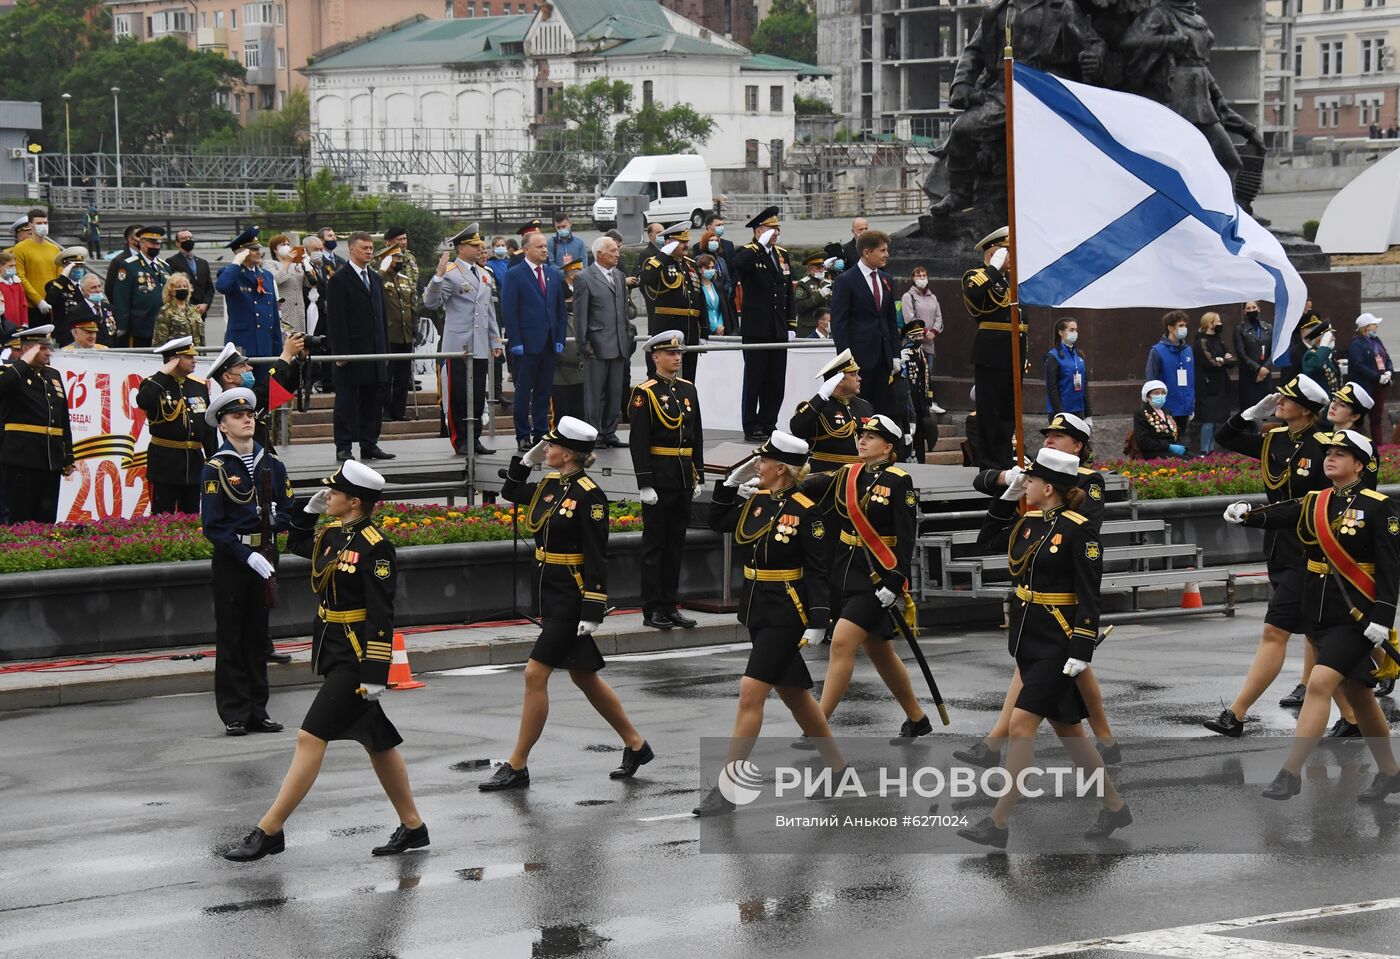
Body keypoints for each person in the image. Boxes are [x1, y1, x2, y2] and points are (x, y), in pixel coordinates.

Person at [225, 460, 430, 861]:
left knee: (310, 736)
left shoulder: (375, 545)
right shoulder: (334, 533)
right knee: (378, 741)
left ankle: (270, 830)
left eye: (334, 493)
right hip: (333, 645)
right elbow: (299, 546)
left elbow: (381, 613)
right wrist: (307, 512)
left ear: (354, 501)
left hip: (356, 656)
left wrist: (376, 673)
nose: (328, 496)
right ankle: (413, 826)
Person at [957, 447, 1129, 849]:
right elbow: (986, 540)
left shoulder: (1078, 529)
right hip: (1027, 637)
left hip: (1058, 641)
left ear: (1048, 487)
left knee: (1020, 726)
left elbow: (1090, 594)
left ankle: (998, 824)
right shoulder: (1030, 522)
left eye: (1030, 480)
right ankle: (1116, 807)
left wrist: (1082, 649)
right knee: (1071, 734)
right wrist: (1004, 497)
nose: (1025, 484)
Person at [479, 417, 654, 791]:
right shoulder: (549, 484)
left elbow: (597, 555)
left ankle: (518, 764)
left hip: (572, 597)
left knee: (534, 674)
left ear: (569, 453)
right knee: (584, 675)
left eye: (550, 446)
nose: (546, 449)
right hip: (549, 589)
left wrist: (593, 607)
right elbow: (511, 492)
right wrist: (523, 462)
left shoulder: (590, 495)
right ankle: (636, 745)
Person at [1226, 429, 1400, 803]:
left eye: (1341, 452)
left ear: (1360, 464)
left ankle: (1290, 773)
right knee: (1360, 695)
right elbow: (1281, 515)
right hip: (1320, 611)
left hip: (1357, 618)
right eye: (1330, 451)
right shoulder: (1315, 501)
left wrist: (1383, 617)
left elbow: (1389, 568)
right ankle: (1390, 773)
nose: (1331, 457)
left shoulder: (1378, 506)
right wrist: (1246, 516)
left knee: (1320, 684)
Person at [693, 431, 845, 817]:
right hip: (757, 606)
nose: (755, 465)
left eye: (762, 461)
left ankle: (729, 788)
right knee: (795, 695)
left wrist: (819, 619)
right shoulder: (757, 502)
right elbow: (717, 521)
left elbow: (817, 570)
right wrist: (727, 485)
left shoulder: (807, 510)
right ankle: (838, 769)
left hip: (787, 610)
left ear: (782, 468)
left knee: (750, 692)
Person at [960, 413, 1117, 767]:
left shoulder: (1086, 483)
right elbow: (981, 493)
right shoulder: (1032, 506)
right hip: (1034, 621)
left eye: (1059, 437)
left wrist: (1082, 637)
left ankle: (994, 751)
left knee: (1028, 714)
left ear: (1077, 446)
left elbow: (1082, 532)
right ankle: (1108, 765)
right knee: (1069, 718)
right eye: (1047, 435)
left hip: (1059, 609)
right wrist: (1008, 483)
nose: (1049, 440)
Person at [1203, 374, 1333, 737]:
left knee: (1276, 629)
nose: (1279, 402)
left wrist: (1254, 517)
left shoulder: (1324, 445)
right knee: (1320, 632)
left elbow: (1316, 504)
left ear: (1305, 409)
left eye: (1286, 399)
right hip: (1277, 546)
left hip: (1310, 549)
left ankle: (1236, 713)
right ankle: (1354, 715)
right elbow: (1224, 438)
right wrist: (1249, 414)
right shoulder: (1274, 439)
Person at [796, 414, 933, 743]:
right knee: (879, 649)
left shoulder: (900, 481)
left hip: (878, 575)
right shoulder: (848, 474)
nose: (862, 440)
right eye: (862, 434)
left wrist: (895, 579)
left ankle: (818, 725)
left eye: (871, 436)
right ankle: (917, 718)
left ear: (888, 447)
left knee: (842, 641)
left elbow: (906, 536)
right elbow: (812, 489)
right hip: (847, 569)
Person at [198, 387, 292, 737]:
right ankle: (234, 712)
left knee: (257, 635)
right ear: (223, 426)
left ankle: (258, 709)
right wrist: (245, 553)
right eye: (237, 416)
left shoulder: (272, 462)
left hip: (265, 555)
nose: (247, 420)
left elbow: (286, 509)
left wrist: (275, 525)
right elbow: (214, 526)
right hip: (234, 560)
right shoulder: (216, 467)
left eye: (249, 415)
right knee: (232, 636)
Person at [630, 331, 705, 630]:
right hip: (660, 478)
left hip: (683, 476)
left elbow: (695, 435)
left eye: (679, 353)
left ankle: (670, 604)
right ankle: (652, 608)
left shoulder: (689, 389)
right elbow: (639, 441)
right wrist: (644, 482)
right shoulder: (644, 392)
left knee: (675, 545)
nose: (677, 358)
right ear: (655, 357)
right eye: (670, 354)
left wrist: (697, 471)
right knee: (654, 546)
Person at [425, 223, 503, 457]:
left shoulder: (484, 274)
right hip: (458, 345)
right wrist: (437, 277)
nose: (480, 248)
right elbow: (431, 303)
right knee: (458, 395)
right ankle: (460, 440)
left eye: (480, 244)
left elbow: (488, 311)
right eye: (474, 245)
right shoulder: (449, 274)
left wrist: (495, 340)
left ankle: (475, 437)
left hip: (478, 344)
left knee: (477, 395)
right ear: (461, 248)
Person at [326, 231, 393, 463]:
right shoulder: (339, 279)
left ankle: (369, 444)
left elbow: (381, 317)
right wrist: (341, 351)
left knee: (373, 401)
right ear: (351, 249)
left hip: (374, 352)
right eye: (364, 247)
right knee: (346, 402)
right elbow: (335, 319)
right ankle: (343, 447)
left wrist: (384, 350)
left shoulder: (375, 278)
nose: (369, 251)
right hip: (352, 353)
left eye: (371, 248)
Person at [730, 207, 796, 441]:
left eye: (777, 228)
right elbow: (737, 266)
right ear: (759, 230)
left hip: (778, 327)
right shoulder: (749, 252)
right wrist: (759, 245)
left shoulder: (781, 254)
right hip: (756, 327)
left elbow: (788, 291)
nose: (776, 232)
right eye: (771, 228)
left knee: (776, 380)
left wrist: (791, 324)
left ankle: (769, 421)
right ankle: (752, 424)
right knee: (755, 379)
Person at [964, 227, 1026, 469]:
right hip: (992, 353)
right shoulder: (976, 275)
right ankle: (988, 462)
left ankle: (1003, 458)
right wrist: (993, 269)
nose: (1012, 257)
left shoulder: (1011, 279)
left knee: (1009, 411)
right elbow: (974, 294)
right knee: (989, 410)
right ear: (994, 252)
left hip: (1014, 352)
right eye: (1007, 252)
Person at [500, 230, 567, 452]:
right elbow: (509, 311)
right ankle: (522, 434)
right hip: (526, 344)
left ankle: (540, 433)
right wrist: (515, 341)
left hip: (548, 343)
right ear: (526, 249)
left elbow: (559, 309)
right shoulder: (515, 274)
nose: (544, 250)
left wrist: (559, 338)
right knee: (523, 390)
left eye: (545, 247)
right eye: (539, 247)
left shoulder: (553, 274)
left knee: (543, 391)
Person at [0, 325, 74, 523]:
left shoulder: (53, 375)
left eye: (48, 346)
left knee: (46, 518)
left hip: (50, 458)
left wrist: (68, 455)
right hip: (21, 458)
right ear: (26, 349)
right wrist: (24, 362)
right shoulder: (11, 372)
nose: (48, 351)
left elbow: (62, 417)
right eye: (41, 347)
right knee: (20, 517)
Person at [138, 336, 215, 514]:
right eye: (189, 356)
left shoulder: (199, 385)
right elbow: (143, 401)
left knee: (192, 515)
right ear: (174, 360)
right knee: (161, 517)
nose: (194, 360)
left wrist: (212, 458)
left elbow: (208, 427)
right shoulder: (154, 384)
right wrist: (163, 373)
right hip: (165, 464)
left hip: (194, 464)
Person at [832, 229, 899, 423]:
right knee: (860, 410)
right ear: (867, 252)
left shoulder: (886, 279)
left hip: (883, 357)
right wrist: (846, 362)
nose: (887, 255)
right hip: (859, 357)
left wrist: (895, 353)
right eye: (882, 250)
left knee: (881, 410)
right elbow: (839, 323)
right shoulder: (846, 280)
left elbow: (890, 319)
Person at [572, 235, 632, 448]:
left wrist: (628, 336)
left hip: (618, 344)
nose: (617, 254)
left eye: (617, 250)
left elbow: (623, 311)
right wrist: (583, 343)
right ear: (599, 254)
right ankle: (593, 433)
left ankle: (610, 432)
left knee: (615, 392)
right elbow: (580, 315)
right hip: (596, 346)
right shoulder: (585, 277)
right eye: (613, 250)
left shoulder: (619, 275)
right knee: (595, 394)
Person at [206, 339, 303, 455]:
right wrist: (286, 354)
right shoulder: (230, 405)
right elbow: (269, 388)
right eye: (242, 366)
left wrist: (299, 360)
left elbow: (286, 385)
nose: (250, 368)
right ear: (228, 377)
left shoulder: (250, 398)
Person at [790, 349, 874, 474]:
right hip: (826, 474)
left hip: (860, 473)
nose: (859, 378)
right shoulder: (818, 406)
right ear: (839, 380)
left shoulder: (865, 406)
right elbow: (798, 429)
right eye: (853, 374)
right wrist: (821, 397)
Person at [639, 222, 704, 382]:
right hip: (668, 327)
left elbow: (698, 297)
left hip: (690, 330)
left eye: (686, 241)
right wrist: (663, 254)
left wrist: (704, 327)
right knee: (665, 378)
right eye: (681, 242)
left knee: (689, 379)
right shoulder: (657, 263)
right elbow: (647, 279)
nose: (686, 245)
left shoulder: (691, 264)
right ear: (670, 243)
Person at [217, 226, 283, 370]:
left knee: (265, 390)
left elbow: (273, 317)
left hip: (266, 346)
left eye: (259, 248)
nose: (259, 252)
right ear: (241, 252)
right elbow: (222, 286)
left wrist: (278, 351)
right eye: (253, 249)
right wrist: (236, 262)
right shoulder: (231, 273)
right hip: (243, 345)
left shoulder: (266, 275)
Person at [376, 242, 418, 424]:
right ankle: (385, 410)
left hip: (405, 333)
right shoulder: (379, 279)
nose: (400, 261)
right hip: (388, 333)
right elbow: (373, 291)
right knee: (387, 375)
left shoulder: (404, 279)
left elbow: (411, 306)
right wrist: (382, 271)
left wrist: (414, 327)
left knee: (403, 375)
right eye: (396, 257)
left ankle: (399, 410)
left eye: (401, 257)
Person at [111, 226, 170, 348]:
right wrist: (123, 326)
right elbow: (121, 298)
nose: (155, 246)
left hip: (164, 327)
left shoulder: (164, 266)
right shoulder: (129, 265)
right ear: (142, 243)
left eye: (158, 243)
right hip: (140, 327)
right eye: (152, 243)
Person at [1145, 310, 1196, 440]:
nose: (1184, 329)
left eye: (1185, 325)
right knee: (1168, 443)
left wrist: (1191, 403)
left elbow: (1191, 380)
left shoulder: (1188, 350)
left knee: (1182, 441)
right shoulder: (1157, 351)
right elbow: (1151, 378)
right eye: (1180, 325)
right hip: (1166, 406)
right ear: (1170, 327)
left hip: (1185, 406)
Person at [10, 208, 62, 327]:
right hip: (31, 307)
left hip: (52, 305)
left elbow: (60, 276)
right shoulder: (20, 249)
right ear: (30, 225)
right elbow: (20, 277)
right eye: (39, 223)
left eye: (45, 223)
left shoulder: (54, 249)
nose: (43, 226)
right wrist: (38, 301)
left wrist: (55, 299)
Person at [1193, 311, 1235, 456]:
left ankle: (1214, 450)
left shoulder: (1218, 340)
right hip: (1208, 387)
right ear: (1210, 324)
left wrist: (1222, 359)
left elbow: (1232, 360)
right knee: (1208, 420)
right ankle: (1205, 450)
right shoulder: (1201, 342)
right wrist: (1223, 359)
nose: (1220, 324)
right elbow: (1210, 363)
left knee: (1218, 420)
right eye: (1217, 321)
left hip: (1220, 386)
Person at [1347, 312, 1393, 442]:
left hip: (1379, 385)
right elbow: (1358, 365)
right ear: (1366, 326)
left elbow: (1386, 358)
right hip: (1364, 386)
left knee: (1377, 418)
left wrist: (1389, 371)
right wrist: (1376, 377)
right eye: (1374, 324)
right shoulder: (1356, 343)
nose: (1376, 327)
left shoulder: (1376, 341)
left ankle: (1379, 448)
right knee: (1359, 418)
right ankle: (1358, 445)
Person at [552, 259, 587, 421]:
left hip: (581, 374)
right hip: (561, 375)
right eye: (570, 300)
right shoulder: (559, 317)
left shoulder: (583, 317)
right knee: (562, 415)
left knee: (579, 414)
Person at [900, 265, 943, 383]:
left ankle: (926, 401)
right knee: (914, 378)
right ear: (913, 278)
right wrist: (925, 332)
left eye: (924, 275)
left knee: (927, 376)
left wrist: (933, 332)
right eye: (918, 275)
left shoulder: (933, 297)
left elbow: (938, 318)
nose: (922, 278)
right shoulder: (908, 296)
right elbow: (910, 319)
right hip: (914, 344)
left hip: (929, 344)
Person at [1234, 301, 1273, 420]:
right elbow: (1241, 353)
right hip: (1249, 374)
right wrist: (1258, 369)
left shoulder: (1268, 327)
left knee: (1265, 408)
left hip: (1265, 373)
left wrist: (1265, 367)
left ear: (1259, 309)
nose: (1252, 310)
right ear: (1244, 311)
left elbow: (1274, 350)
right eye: (1248, 308)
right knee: (1249, 409)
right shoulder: (1240, 329)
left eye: (1254, 307)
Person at [1045, 317, 1090, 422]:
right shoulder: (1053, 356)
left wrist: (1089, 414)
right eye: (1071, 330)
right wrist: (1059, 413)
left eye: (1076, 330)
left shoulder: (1078, 355)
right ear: (1061, 332)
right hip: (1061, 411)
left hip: (1078, 409)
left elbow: (1085, 386)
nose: (1075, 333)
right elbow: (1052, 389)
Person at [43, 246, 89, 347]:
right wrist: (63, 277)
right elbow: (50, 299)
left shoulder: (85, 285)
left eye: (81, 266)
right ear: (66, 267)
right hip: (65, 335)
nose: (79, 269)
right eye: (75, 266)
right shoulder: (56, 284)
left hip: (85, 333)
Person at [1129, 380, 1187, 458]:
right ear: (1148, 396)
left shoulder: (1167, 412)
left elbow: (1175, 433)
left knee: (1198, 459)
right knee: (1186, 461)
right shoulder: (1141, 413)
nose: (1160, 395)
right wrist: (1168, 446)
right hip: (1155, 452)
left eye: (1163, 393)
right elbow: (1143, 440)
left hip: (1173, 449)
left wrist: (1179, 446)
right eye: (1156, 393)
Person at [167, 230, 215, 321]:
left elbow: (209, 288)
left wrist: (205, 304)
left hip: (201, 312)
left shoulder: (203, 263)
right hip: (182, 313)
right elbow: (172, 287)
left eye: (190, 238)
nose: (188, 240)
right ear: (177, 243)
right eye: (184, 238)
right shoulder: (171, 262)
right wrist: (190, 307)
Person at [268, 234, 310, 337]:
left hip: (298, 312)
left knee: (299, 343)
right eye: (283, 244)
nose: (287, 246)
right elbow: (275, 280)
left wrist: (307, 264)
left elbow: (310, 284)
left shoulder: (296, 265)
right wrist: (287, 261)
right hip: (283, 312)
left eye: (288, 244)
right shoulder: (270, 264)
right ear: (275, 250)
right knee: (285, 341)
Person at [151, 272, 205, 347]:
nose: (182, 288)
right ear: (171, 290)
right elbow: (159, 340)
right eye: (179, 286)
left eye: (185, 286)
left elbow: (201, 337)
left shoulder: (194, 310)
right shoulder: (165, 311)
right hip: (177, 355)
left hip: (196, 354)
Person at [793, 253, 833, 339]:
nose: (821, 270)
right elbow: (800, 307)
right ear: (810, 269)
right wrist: (820, 295)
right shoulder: (803, 284)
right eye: (818, 268)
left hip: (827, 328)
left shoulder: (827, 283)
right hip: (810, 328)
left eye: (822, 267)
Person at [1298, 316, 1340, 395]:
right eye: (1329, 336)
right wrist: (1324, 347)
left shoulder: (1327, 355)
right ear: (1320, 338)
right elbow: (1315, 366)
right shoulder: (1310, 354)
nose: (1334, 338)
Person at [696, 253, 735, 338]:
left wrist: (720, 325)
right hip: (706, 330)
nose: (710, 270)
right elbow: (702, 311)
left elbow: (722, 309)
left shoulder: (718, 287)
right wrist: (714, 327)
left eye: (713, 268)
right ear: (699, 269)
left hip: (721, 329)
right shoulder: (697, 288)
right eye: (707, 268)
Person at [0, 252, 26, 327]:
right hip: (3, 325)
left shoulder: (17, 283)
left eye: (14, 266)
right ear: (1, 267)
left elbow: (23, 304)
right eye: (10, 266)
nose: (13, 268)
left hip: (17, 323)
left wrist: (24, 323)